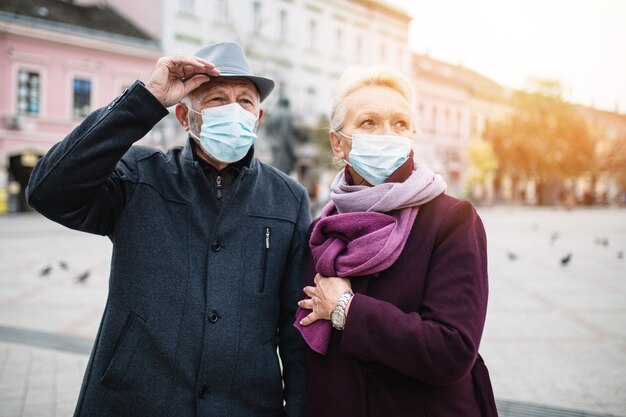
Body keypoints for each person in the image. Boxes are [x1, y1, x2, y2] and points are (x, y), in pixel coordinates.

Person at [26, 42, 309, 417]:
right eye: (216, 99)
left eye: (244, 101)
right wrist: (145, 100)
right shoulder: (139, 176)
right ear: (183, 115)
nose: (233, 110)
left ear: (257, 117)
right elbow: (49, 191)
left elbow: (297, 326)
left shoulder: (288, 198)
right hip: (136, 399)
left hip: (245, 405)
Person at [294, 65, 497, 417]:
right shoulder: (320, 231)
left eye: (400, 123)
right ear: (338, 143)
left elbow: (452, 350)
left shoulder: (451, 220)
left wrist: (347, 309)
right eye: (369, 122)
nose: (387, 134)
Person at [266, 96, 297, 175]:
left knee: (275, 175)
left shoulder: (273, 114)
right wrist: (292, 152)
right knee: (284, 178)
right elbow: (286, 134)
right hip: (284, 151)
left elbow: (268, 132)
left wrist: (273, 143)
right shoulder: (286, 114)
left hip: (275, 150)